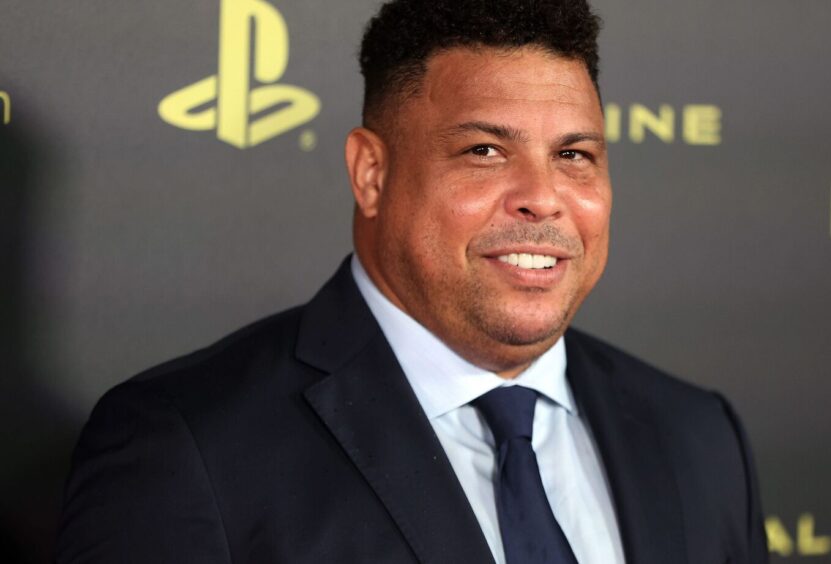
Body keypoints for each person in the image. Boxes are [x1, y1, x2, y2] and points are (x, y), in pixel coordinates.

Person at [56, 1, 769, 562]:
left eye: (574, 155)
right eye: (484, 150)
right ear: (371, 173)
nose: (542, 197)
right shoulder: (187, 448)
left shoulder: (698, 436)